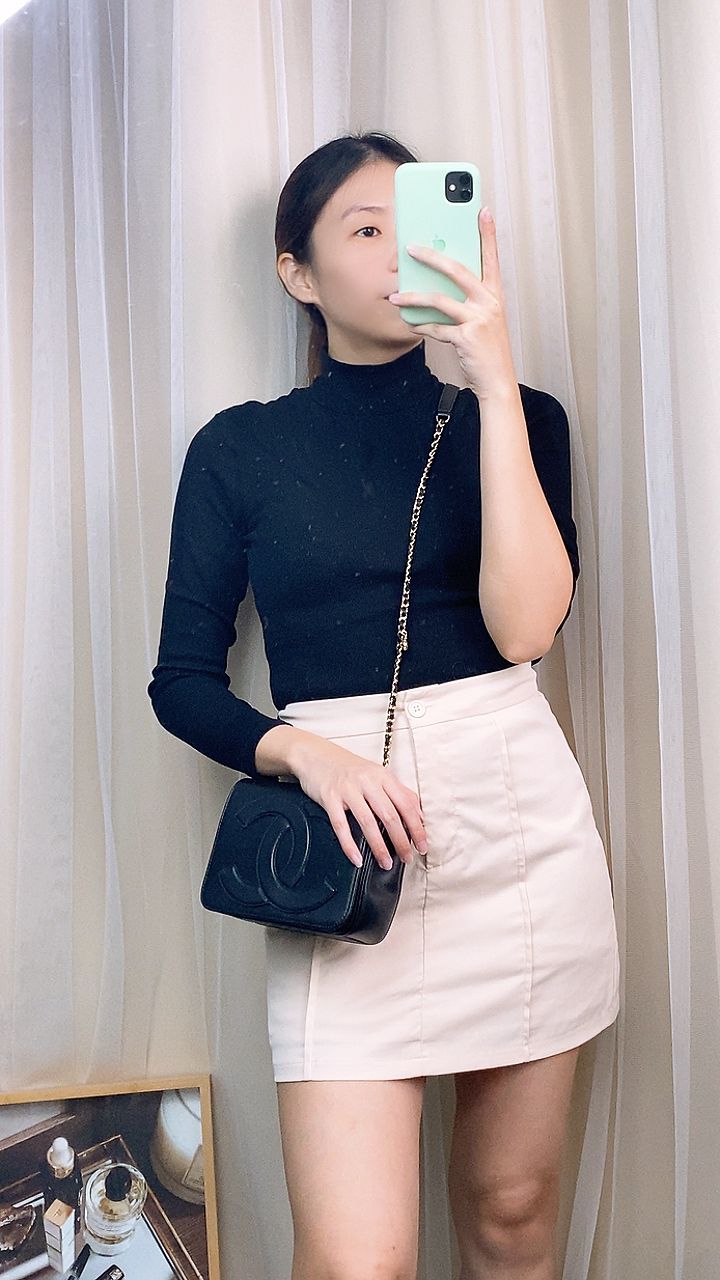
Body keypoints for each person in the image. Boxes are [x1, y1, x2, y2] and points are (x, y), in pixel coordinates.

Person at [147, 131, 620, 1280]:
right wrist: (307, 753)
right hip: (344, 844)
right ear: (297, 271)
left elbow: (526, 629)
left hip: (515, 827)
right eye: (365, 228)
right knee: (358, 1257)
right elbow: (183, 680)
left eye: (415, 225)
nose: (398, 250)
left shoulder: (524, 416)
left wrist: (493, 381)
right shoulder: (239, 449)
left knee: (512, 1216)